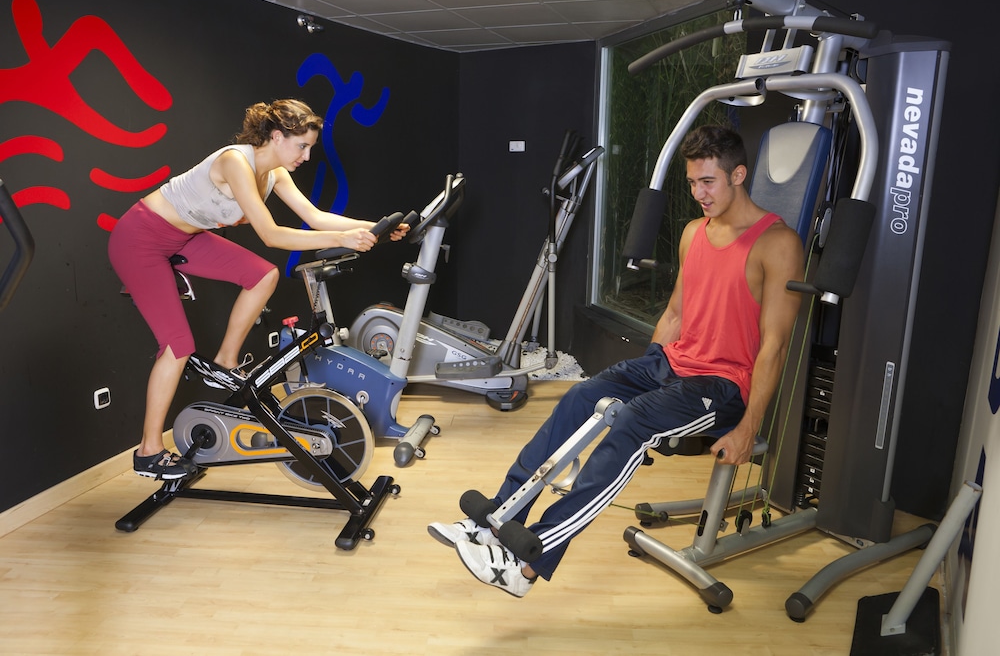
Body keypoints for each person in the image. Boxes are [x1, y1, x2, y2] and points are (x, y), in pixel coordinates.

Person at [428, 125, 805, 597]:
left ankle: (527, 563)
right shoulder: (695, 232)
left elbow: (775, 345)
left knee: (631, 422)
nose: (698, 194)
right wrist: (649, 372)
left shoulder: (777, 244)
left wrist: (749, 427)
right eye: (692, 183)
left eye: (708, 182)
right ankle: (497, 519)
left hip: (722, 387)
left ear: (739, 175)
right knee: (581, 396)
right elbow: (675, 314)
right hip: (671, 365)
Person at [109, 99, 407, 481]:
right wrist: (344, 238)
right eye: (302, 146)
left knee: (263, 275)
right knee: (177, 345)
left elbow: (314, 217)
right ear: (277, 136)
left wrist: (376, 228)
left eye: (310, 148)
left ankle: (225, 362)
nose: (306, 156)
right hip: (141, 238)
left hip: (183, 238)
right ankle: (148, 451)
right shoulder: (235, 162)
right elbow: (270, 234)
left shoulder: (275, 173)